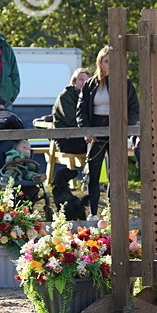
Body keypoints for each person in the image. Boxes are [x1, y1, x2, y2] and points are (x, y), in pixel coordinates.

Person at [77, 46, 140, 218]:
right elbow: (81, 109)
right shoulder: (90, 84)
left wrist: (127, 127)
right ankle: (94, 213)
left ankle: (114, 212)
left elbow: (134, 108)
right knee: (94, 172)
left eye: (113, 61)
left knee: (117, 172)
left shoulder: (124, 83)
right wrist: (87, 130)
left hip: (117, 129)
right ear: (100, 63)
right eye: (106, 61)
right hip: (96, 128)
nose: (109, 64)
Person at [50, 67, 92, 219]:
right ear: (74, 81)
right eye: (81, 79)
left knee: (101, 144)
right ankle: (89, 179)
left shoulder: (90, 95)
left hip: (84, 137)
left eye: (87, 80)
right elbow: (73, 121)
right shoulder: (66, 96)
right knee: (96, 144)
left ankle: (94, 181)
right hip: (68, 139)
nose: (84, 83)